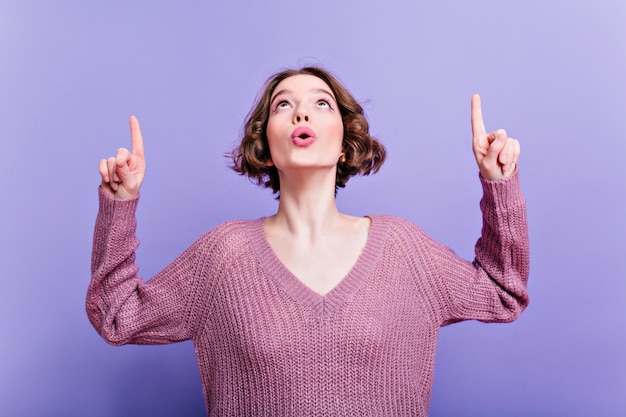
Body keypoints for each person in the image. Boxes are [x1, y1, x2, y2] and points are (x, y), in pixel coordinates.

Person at [87, 66, 529, 416]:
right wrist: (120, 203)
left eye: (321, 104)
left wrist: (498, 182)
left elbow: (502, 291)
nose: (302, 114)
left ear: (345, 143)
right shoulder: (224, 256)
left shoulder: (403, 248)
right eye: (283, 106)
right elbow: (117, 316)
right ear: (265, 144)